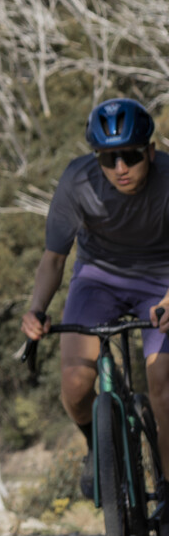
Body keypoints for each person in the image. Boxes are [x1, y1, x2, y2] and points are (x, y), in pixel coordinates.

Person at [20, 98, 169, 501]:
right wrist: (37, 309)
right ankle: (96, 443)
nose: (120, 168)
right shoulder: (78, 181)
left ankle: (168, 495)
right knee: (75, 382)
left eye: (131, 156)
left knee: (163, 386)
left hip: (162, 280)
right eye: (108, 158)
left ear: (150, 152)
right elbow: (54, 258)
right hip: (98, 278)